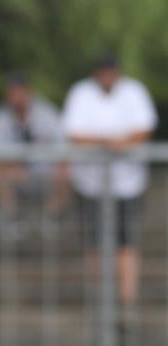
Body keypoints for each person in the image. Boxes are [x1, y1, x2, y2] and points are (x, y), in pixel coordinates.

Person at [61, 55, 157, 309]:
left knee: (126, 243)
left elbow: (142, 132)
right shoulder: (81, 93)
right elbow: (75, 135)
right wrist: (113, 143)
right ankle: (100, 301)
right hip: (89, 184)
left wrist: (108, 144)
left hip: (127, 184)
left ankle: (126, 301)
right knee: (94, 245)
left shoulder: (134, 92)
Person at [0, 73, 70, 238]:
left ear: (29, 91)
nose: (16, 96)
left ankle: (53, 217)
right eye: (12, 92)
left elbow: (63, 150)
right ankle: (12, 218)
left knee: (67, 169)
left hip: (45, 172)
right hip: (15, 174)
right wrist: (13, 165)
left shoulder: (47, 113)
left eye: (19, 91)